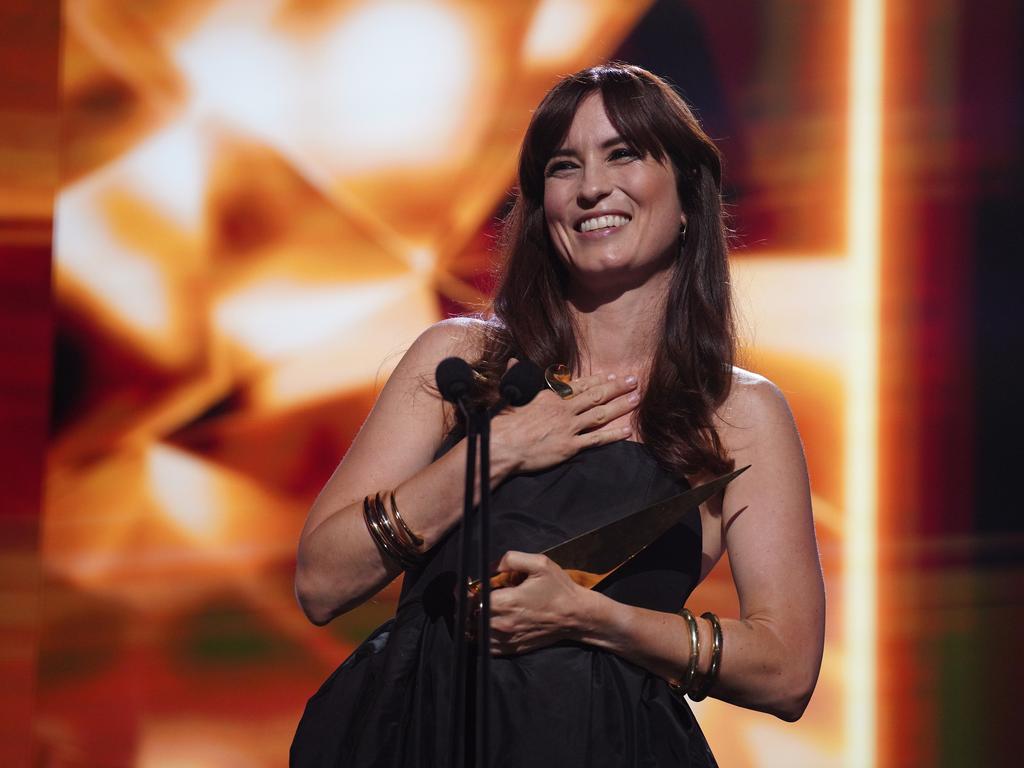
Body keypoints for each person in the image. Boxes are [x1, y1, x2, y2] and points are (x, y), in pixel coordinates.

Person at [290, 62, 825, 767]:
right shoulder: (459, 364)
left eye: (623, 153)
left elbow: (786, 671)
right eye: (564, 166)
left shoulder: (737, 412)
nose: (592, 187)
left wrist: (595, 619)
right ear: (543, 206)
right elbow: (322, 582)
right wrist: (501, 449)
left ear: (688, 192)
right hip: (424, 736)